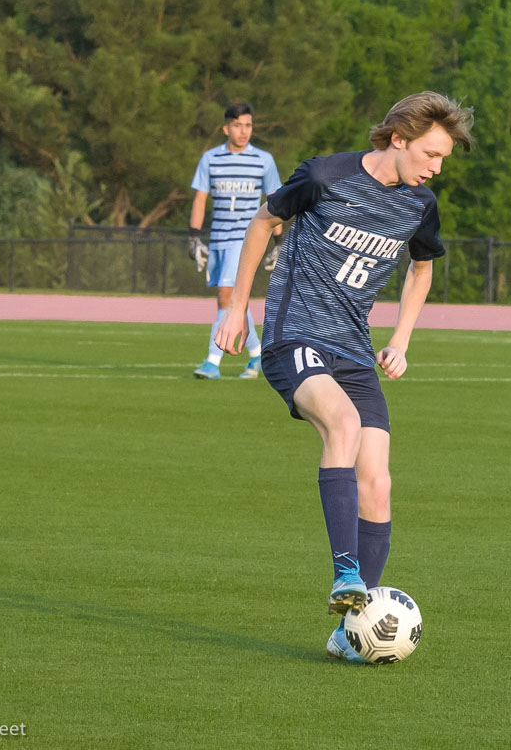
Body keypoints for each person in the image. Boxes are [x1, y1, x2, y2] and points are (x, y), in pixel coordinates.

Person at [214, 92, 473, 662]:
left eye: (444, 159)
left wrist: (401, 340)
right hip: (294, 336)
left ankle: (349, 628)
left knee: (378, 482)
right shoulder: (325, 175)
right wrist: (236, 307)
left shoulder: (420, 205)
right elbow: (263, 222)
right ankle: (346, 576)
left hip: (354, 350)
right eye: (431, 153)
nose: (436, 167)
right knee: (344, 423)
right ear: (399, 138)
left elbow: (421, 270)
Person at [187, 102, 282, 379]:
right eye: (238, 125)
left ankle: (212, 362)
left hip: (246, 239)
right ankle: (257, 357)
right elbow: (200, 198)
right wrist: (194, 236)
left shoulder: (263, 160)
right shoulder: (210, 159)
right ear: (226, 128)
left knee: (226, 300)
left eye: (249, 125)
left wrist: (278, 241)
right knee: (235, 302)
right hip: (219, 238)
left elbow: (275, 202)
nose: (244, 131)